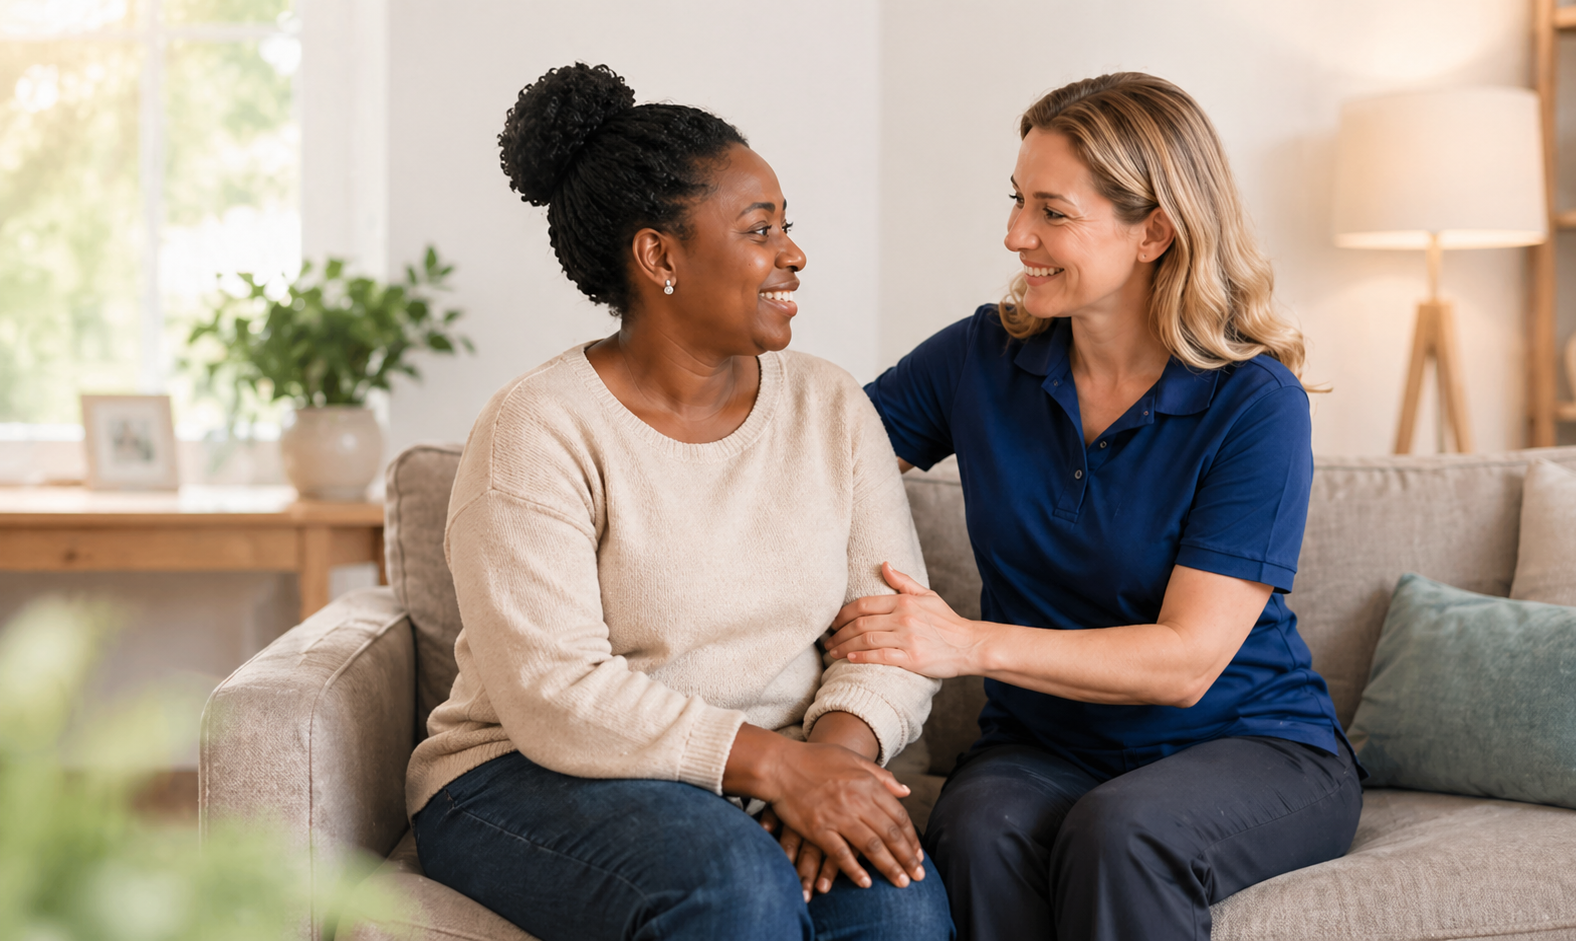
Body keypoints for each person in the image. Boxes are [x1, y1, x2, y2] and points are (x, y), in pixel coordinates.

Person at [407, 63, 953, 941]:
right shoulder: (536, 428)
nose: (794, 253)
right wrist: (774, 767)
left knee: (898, 905)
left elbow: (889, 632)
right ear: (660, 255)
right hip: (530, 773)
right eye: (759, 229)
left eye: (787, 226)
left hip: (773, 764)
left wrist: (829, 770)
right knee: (733, 887)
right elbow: (555, 691)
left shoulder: (830, 406)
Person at [825, 72, 1365, 941]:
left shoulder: (1254, 403)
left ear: (1154, 229)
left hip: (1248, 745)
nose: (1014, 235)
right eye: (1016, 202)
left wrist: (963, 642)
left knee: (1124, 833)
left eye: (1052, 211)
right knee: (974, 830)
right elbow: (818, 464)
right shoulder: (980, 357)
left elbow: (1187, 660)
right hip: (1043, 746)